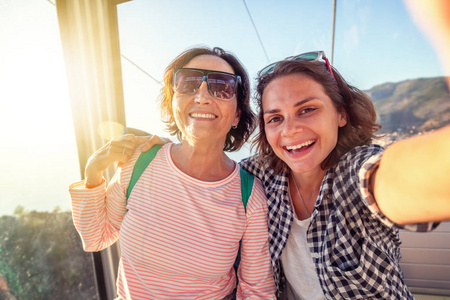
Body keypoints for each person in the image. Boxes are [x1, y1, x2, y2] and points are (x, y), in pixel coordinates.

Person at [142, 51, 450, 299]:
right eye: (275, 118)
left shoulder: (354, 172)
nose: (290, 130)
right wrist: (150, 147)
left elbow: (391, 179)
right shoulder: (258, 177)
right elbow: (205, 167)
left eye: (307, 110)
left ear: (341, 113)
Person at [69, 46, 276, 299]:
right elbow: (96, 237)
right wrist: (93, 171)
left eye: (222, 87)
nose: (202, 96)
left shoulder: (248, 195)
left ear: (237, 115)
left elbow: (257, 291)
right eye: (188, 83)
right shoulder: (140, 163)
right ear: (172, 103)